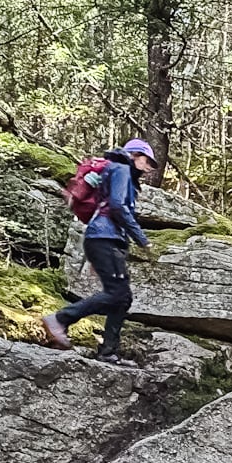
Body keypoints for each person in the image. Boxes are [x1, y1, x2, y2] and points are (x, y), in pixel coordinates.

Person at [42, 139, 156, 363]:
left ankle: (108, 352)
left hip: (106, 239)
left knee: (123, 298)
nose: (149, 167)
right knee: (117, 294)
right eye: (147, 160)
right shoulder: (121, 168)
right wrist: (142, 239)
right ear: (134, 155)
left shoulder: (118, 172)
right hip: (104, 238)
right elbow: (117, 206)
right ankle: (60, 319)